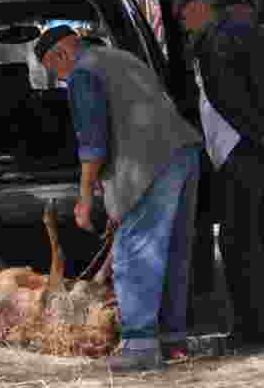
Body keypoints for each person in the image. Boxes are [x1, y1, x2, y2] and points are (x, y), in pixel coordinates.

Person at [34, 25, 202, 372]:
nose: (60, 80)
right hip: (183, 154)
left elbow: (92, 144)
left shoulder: (83, 74)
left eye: (54, 72)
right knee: (171, 253)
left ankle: (139, 347)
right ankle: (172, 340)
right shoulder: (121, 57)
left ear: (62, 55)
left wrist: (84, 199)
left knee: (134, 253)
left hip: (149, 165)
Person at [172, 0, 264, 350]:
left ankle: (253, 329)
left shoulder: (216, 40)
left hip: (243, 152)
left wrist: (263, 139)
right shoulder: (254, 33)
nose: (183, 23)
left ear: (197, 7)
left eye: (184, 15)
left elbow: (230, 99)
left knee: (241, 244)